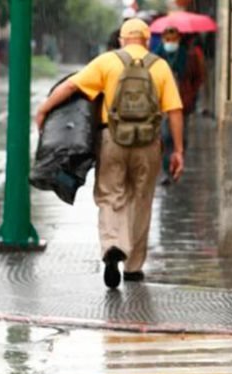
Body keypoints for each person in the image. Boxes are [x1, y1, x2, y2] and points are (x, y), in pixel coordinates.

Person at [34, 18, 185, 289]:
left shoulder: (107, 62)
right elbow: (174, 111)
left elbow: (71, 86)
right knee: (141, 198)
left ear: (122, 40)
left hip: (112, 138)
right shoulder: (160, 66)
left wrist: (44, 108)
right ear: (148, 40)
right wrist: (178, 151)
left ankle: (113, 245)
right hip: (148, 144)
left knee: (110, 195)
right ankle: (134, 266)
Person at [154, 26, 205, 183]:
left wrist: (191, 93)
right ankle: (165, 169)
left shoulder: (188, 56)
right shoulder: (156, 58)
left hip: (182, 103)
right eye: (167, 40)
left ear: (179, 39)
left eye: (173, 39)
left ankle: (177, 162)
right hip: (162, 104)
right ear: (163, 40)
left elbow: (198, 76)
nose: (170, 43)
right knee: (164, 136)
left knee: (181, 137)